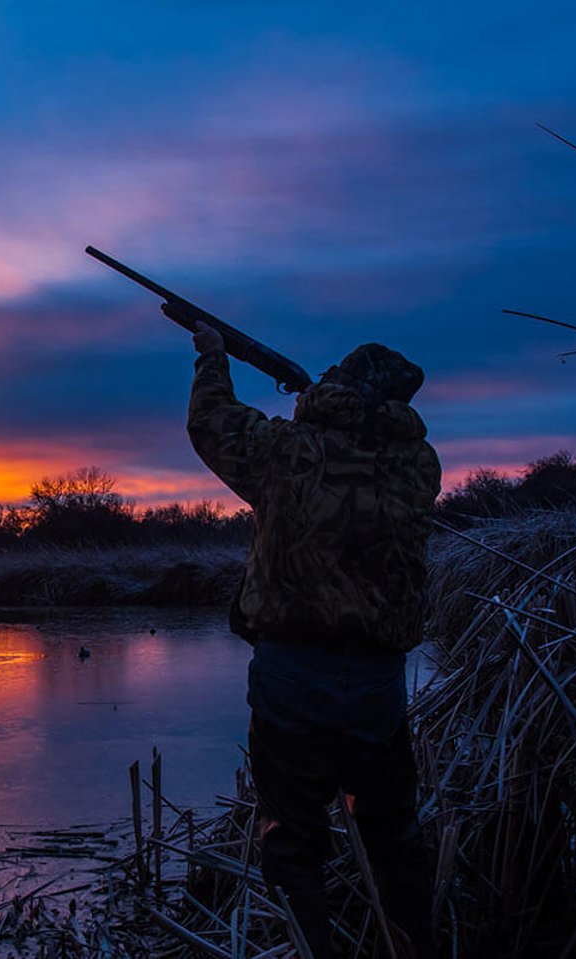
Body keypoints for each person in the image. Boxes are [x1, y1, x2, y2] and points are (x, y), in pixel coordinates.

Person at [186, 321, 441, 958]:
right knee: (393, 837)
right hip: (379, 683)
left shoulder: (289, 450)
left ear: (339, 387)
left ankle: (311, 949)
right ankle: (417, 945)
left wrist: (214, 356)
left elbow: (212, 421)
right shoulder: (416, 464)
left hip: (292, 675)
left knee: (291, 838)